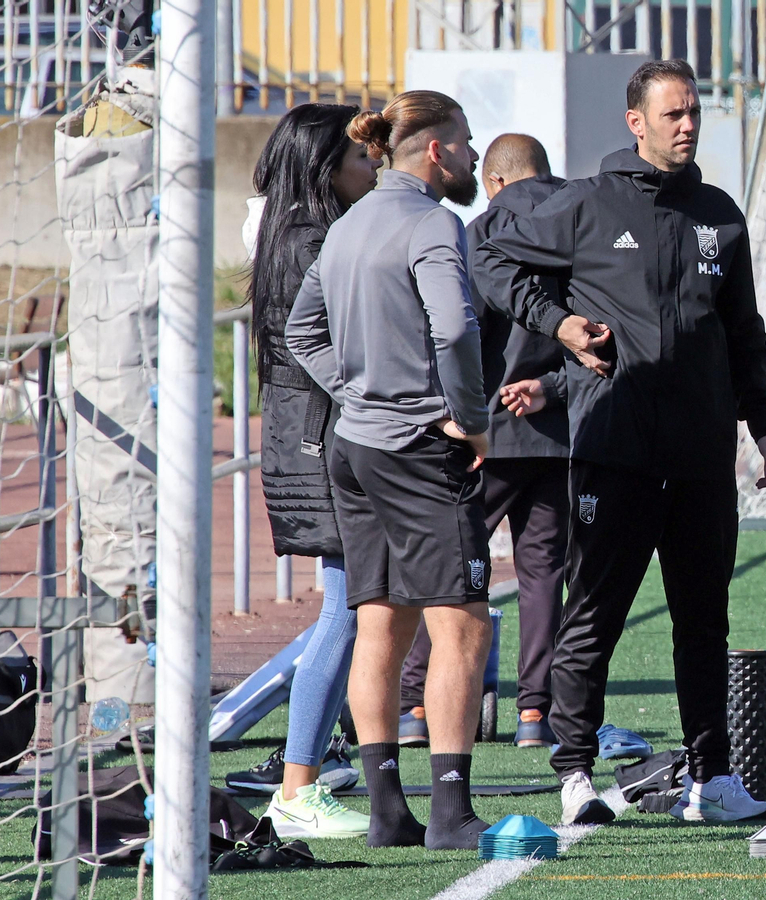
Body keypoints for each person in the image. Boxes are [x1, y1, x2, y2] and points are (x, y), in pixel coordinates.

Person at [474, 59, 766, 827]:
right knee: (596, 614)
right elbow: (485, 250)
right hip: (613, 450)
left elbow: (744, 333)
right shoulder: (584, 204)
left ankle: (711, 777)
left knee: (703, 619)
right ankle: (576, 772)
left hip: (702, 455)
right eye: (672, 114)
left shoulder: (720, 215)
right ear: (635, 122)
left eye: (693, 113)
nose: (686, 125)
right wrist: (557, 324)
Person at [286, 89, 496, 851]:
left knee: (379, 620)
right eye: (466, 142)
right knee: (463, 624)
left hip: (356, 446)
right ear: (436, 150)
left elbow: (300, 329)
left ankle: (387, 810)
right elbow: (457, 327)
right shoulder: (432, 222)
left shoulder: (349, 226)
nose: (472, 155)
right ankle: (450, 811)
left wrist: (354, 390)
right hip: (416, 448)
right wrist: (471, 420)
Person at [220, 104, 379, 842]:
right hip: (320, 444)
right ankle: (297, 785)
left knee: (356, 610)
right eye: (359, 160)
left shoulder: (300, 233)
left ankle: (322, 764)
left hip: (315, 438)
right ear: (324, 170)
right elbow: (339, 348)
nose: (372, 169)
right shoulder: (311, 242)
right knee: (344, 611)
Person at [397, 133, 572, 751]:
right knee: (543, 571)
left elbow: (453, 328)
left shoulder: (473, 234)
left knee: (449, 568)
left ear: (495, 182)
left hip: (482, 427)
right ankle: (535, 713)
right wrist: (554, 383)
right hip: (556, 424)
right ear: (545, 174)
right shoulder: (579, 223)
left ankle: (416, 704)